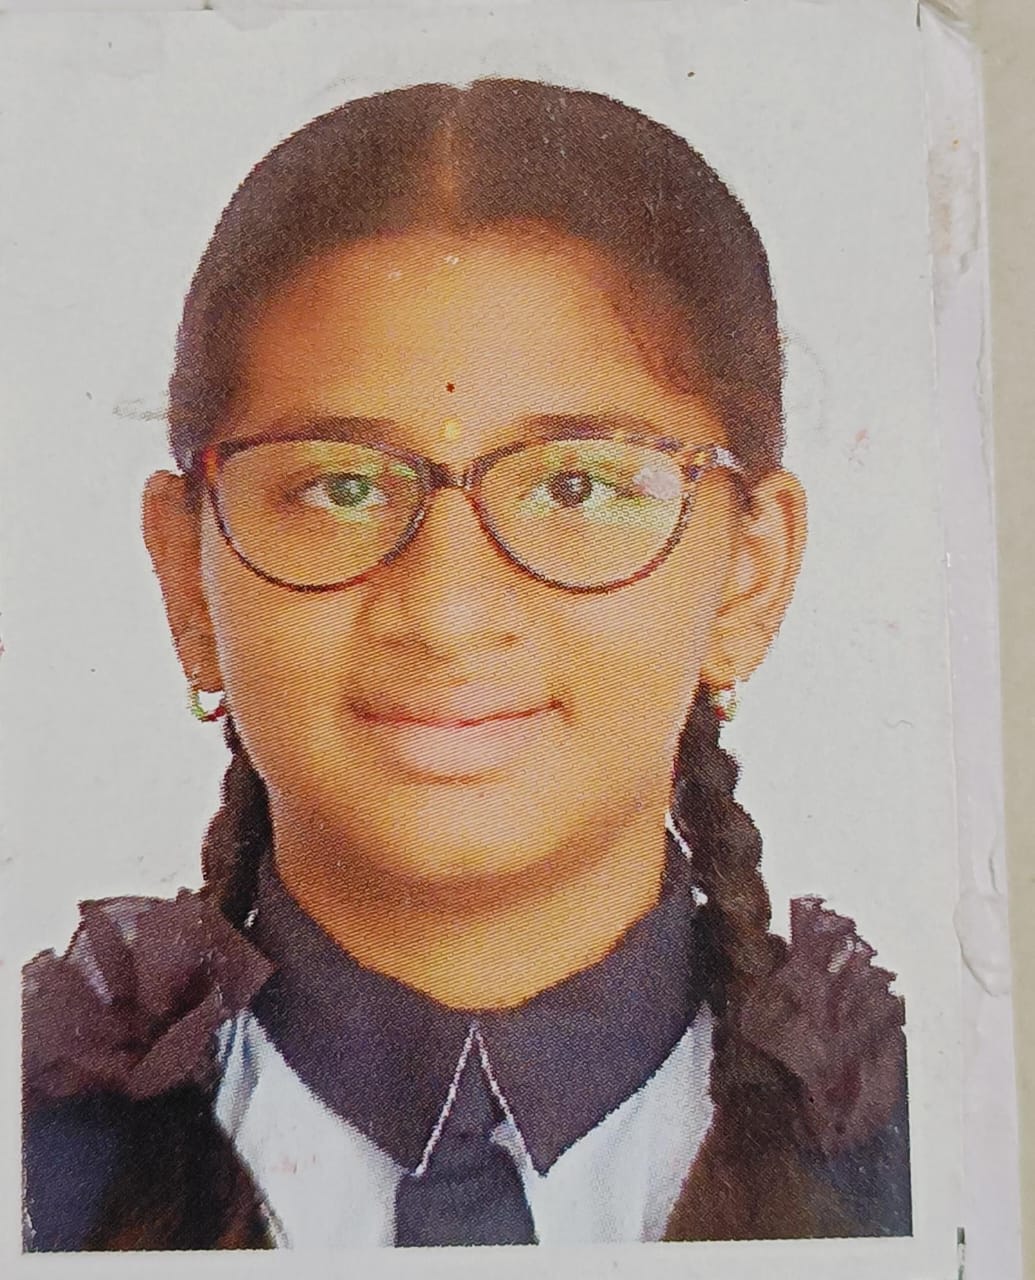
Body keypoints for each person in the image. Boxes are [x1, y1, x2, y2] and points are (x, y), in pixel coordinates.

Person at [21, 77, 910, 1251]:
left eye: (576, 485)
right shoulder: (34, 1156)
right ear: (188, 573)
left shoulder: (943, 1150)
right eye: (342, 485)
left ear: (749, 574)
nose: (446, 612)